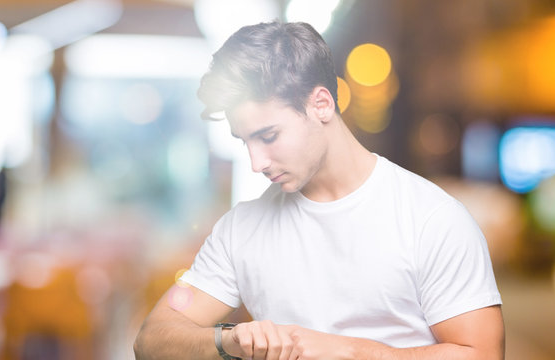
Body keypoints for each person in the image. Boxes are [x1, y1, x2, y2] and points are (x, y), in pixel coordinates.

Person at [134, 21, 504, 360]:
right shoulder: (240, 230)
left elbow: (483, 354)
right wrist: (228, 340)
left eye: (268, 136)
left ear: (321, 104)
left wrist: (347, 352)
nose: (256, 162)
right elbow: (152, 338)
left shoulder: (432, 218)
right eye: (244, 140)